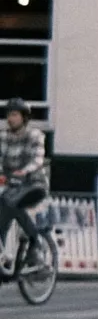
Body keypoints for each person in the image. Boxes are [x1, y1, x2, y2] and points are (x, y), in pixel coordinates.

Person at [1, 96, 46, 245]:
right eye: (8, 114)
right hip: (12, 185)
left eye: (14, 114)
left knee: (8, 203)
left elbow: (37, 159)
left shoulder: (35, 135)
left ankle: (35, 243)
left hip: (33, 184)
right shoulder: (3, 135)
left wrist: (25, 171)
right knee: (7, 206)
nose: (10, 118)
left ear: (24, 117)